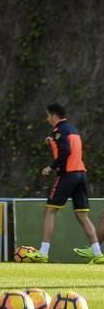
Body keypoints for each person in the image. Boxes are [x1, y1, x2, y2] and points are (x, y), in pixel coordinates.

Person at [26, 103, 104, 264]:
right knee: (82, 215)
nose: (47, 119)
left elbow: (66, 151)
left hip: (68, 175)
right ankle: (97, 253)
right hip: (81, 174)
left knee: (50, 211)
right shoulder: (72, 129)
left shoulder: (58, 130)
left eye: (48, 116)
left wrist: (51, 167)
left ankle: (43, 252)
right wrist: (52, 142)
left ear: (54, 116)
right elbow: (70, 148)